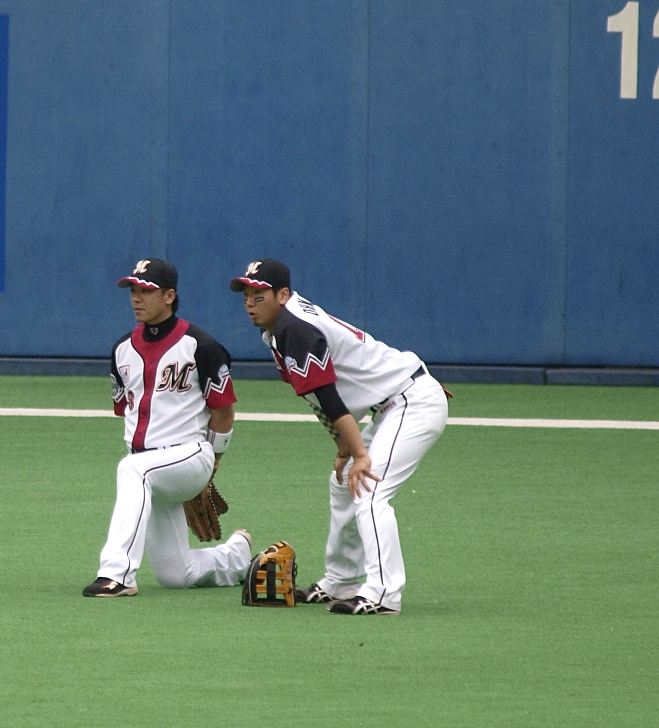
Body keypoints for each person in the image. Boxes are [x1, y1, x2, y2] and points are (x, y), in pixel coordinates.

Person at [231, 259, 447, 615]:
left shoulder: (294, 328)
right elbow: (318, 398)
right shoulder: (279, 328)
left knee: (369, 488)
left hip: (412, 401)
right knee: (344, 482)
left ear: (283, 295)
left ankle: (383, 594)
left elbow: (329, 397)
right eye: (247, 296)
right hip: (394, 402)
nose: (251, 303)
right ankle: (340, 581)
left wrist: (360, 454)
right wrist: (344, 447)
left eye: (260, 295)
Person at [83, 258, 252, 597]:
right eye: (132, 289)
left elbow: (224, 412)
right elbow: (125, 411)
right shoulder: (121, 350)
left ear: (170, 295)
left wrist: (212, 465)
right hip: (152, 468)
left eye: (146, 290)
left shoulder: (200, 345)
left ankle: (116, 575)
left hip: (190, 456)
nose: (136, 297)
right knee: (177, 574)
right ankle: (238, 556)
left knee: (132, 470)